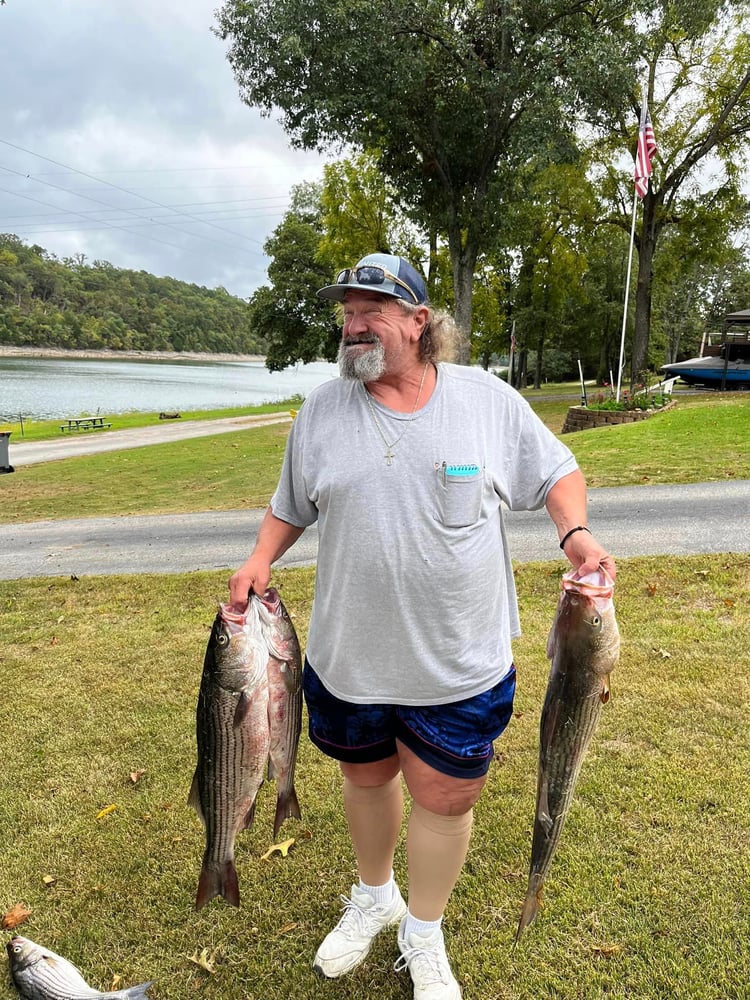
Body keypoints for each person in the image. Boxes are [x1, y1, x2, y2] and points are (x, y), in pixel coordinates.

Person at [229, 252, 615, 1000]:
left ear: (418, 322)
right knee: (366, 778)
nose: (352, 324)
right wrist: (258, 557)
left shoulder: (484, 401)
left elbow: (557, 471)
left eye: (371, 308)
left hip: (457, 659)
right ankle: (375, 896)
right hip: (351, 656)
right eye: (346, 311)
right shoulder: (322, 411)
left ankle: (424, 930)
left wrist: (575, 535)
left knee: (446, 796)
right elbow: (290, 505)